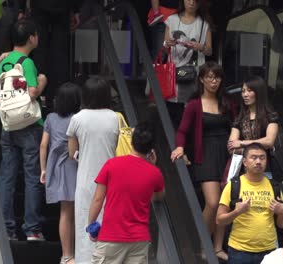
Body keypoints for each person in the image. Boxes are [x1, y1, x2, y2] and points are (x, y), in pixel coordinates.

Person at [170, 61, 233, 261]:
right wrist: (180, 147)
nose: (213, 81)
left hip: (226, 155)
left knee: (224, 204)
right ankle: (204, 243)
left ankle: (216, 247)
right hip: (204, 155)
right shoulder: (195, 104)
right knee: (213, 202)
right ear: (201, 79)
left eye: (217, 77)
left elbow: (236, 125)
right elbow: (182, 130)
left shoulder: (227, 102)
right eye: (209, 77)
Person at [0, 19, 47, 241]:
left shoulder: (4, 61)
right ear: (31, 38)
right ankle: (32, 229)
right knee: (32, 176)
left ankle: (6, 229)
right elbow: (33, 92)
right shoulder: (26, 63)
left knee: (7, 176)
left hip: (8, 124)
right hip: (28, 126)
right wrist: (42, 81)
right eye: (36, 34)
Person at [88, 123, 165, 264]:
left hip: (111, 235)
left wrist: (91, 225)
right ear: (151, 149)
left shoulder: (111, 165)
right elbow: (159, 196)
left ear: (131, 141)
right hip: (139, 238)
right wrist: (152, 166)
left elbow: (98, 199)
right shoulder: (155, 173)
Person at [66, 77, 119, 264]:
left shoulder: (77, 118)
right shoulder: (114, 117)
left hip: (87, 179)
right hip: (111, 180)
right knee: (108, 223)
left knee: (85, 223)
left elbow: (72, 153)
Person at [217, 143, 283, 264]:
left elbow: (282, 225)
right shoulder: (234, 185)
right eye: (253, 157)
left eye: (262, 157)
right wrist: (237, 212)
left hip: (269, 251)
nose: (258, 161)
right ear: (244, 162)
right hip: (239, 251)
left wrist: (282, 212)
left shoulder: (274, 186)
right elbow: (219, 220)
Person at [40, 82, 81, 263]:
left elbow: (43, 145)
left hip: (56, 166)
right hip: (74, 165)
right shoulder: (78, 118)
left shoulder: (50, 118)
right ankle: (70, 254)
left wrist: (43, 169)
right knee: (72, 212)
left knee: (66, 211)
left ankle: (67, 254)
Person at [163, 0, 212, 129]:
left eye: (195, 1)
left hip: (194, 73)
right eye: (189, 0)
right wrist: (168, 43)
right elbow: (164, 47)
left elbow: (209, 50)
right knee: (174, 110)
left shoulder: (203, 24)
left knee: (192, 109)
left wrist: (200, 47)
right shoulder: (172, 20)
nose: (191, 3)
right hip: (174, 72)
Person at [30, 0, 83, 110]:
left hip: (39, 6)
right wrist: (76, 9)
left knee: (39, 50)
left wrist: (21, 8)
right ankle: (60, 96)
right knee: (60, 53)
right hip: (62, 7)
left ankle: (37, 93)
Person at [227, 76, 279, 179]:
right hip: (243, 171)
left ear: (258, 92)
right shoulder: (240, 118)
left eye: (249, 91)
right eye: (243, 91)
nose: (245, 94)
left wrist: (242, 143)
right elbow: (231, 147)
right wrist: (257, 150)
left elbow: (269, 141)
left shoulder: (270, 116)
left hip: (266, 170)